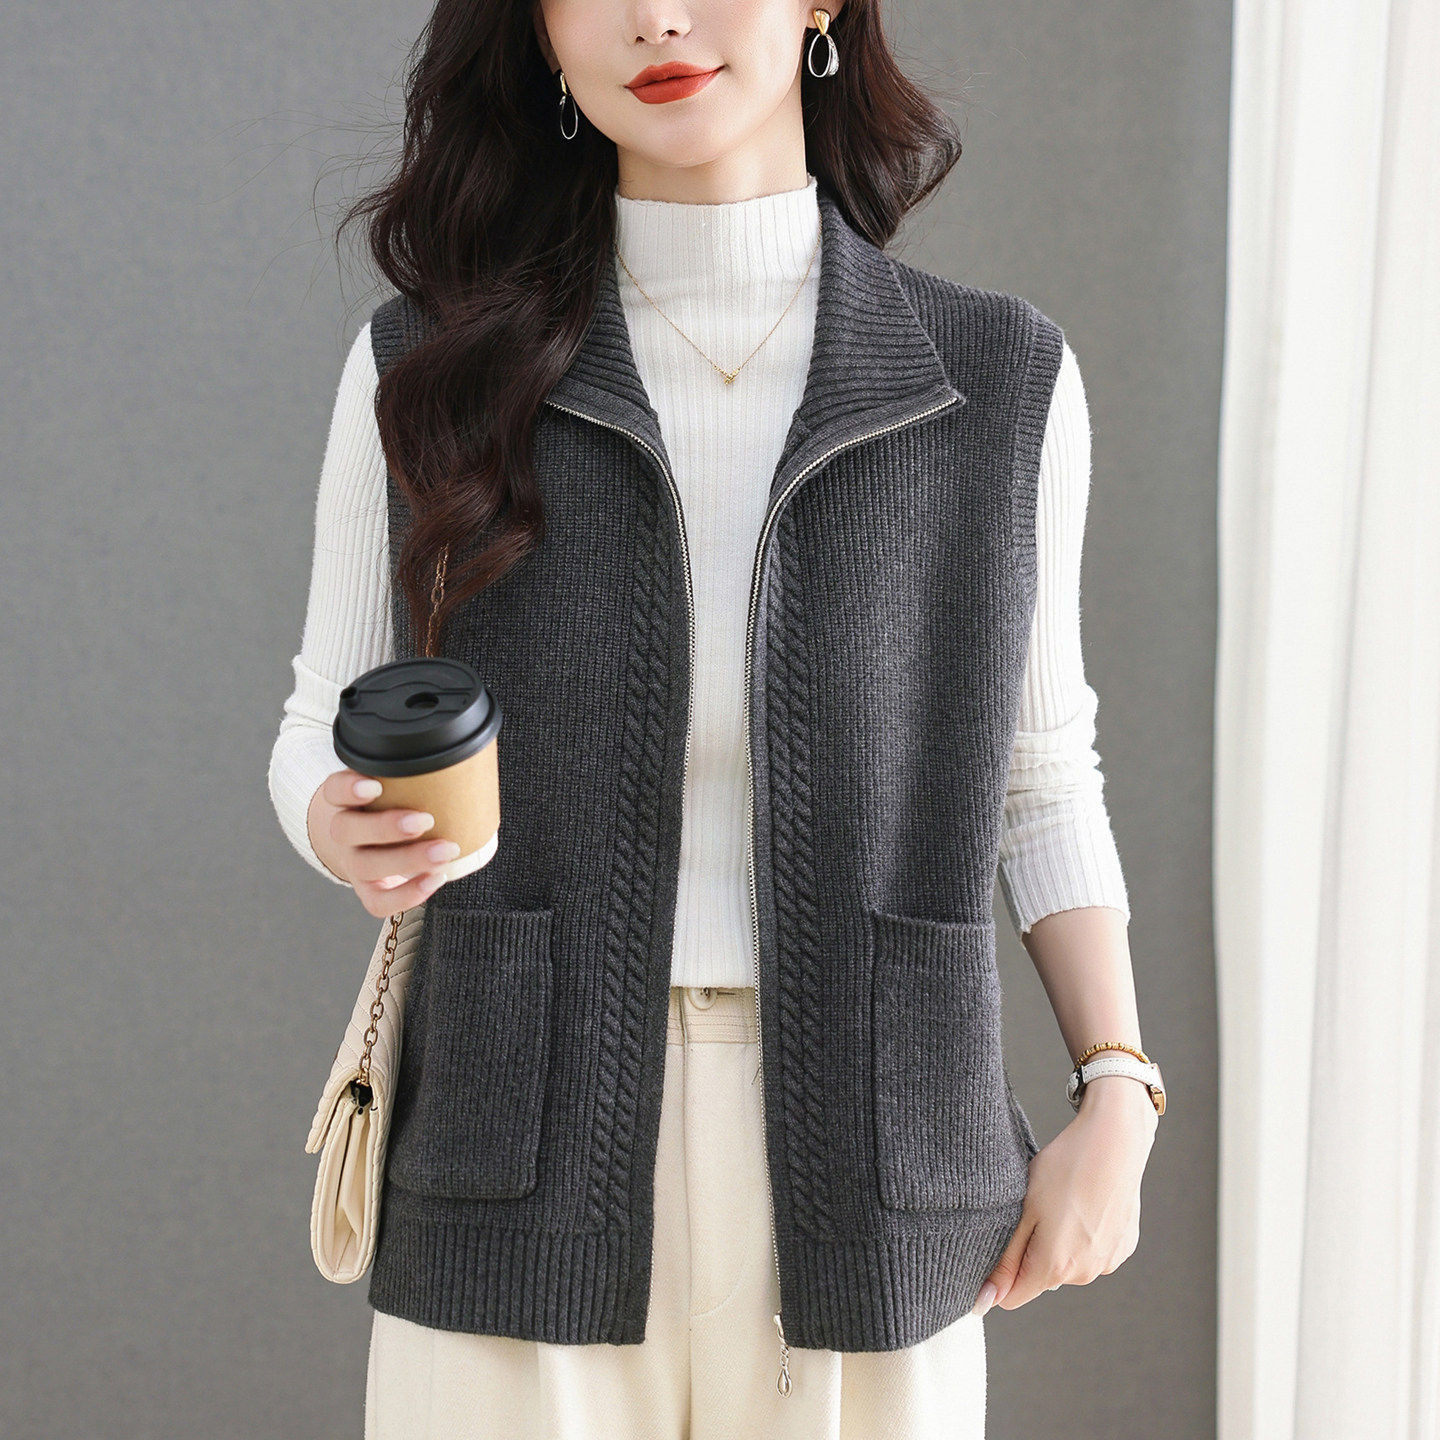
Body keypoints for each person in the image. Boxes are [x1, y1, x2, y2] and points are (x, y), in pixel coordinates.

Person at [268, 1, 1164, 1435]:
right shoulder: (427, 365)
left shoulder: (995, 377)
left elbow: (1042, 779)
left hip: (877, 1156)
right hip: (515, 1143)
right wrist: (339, 822)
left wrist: (1116, 1091)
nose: (660, 18)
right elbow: (323, 720)